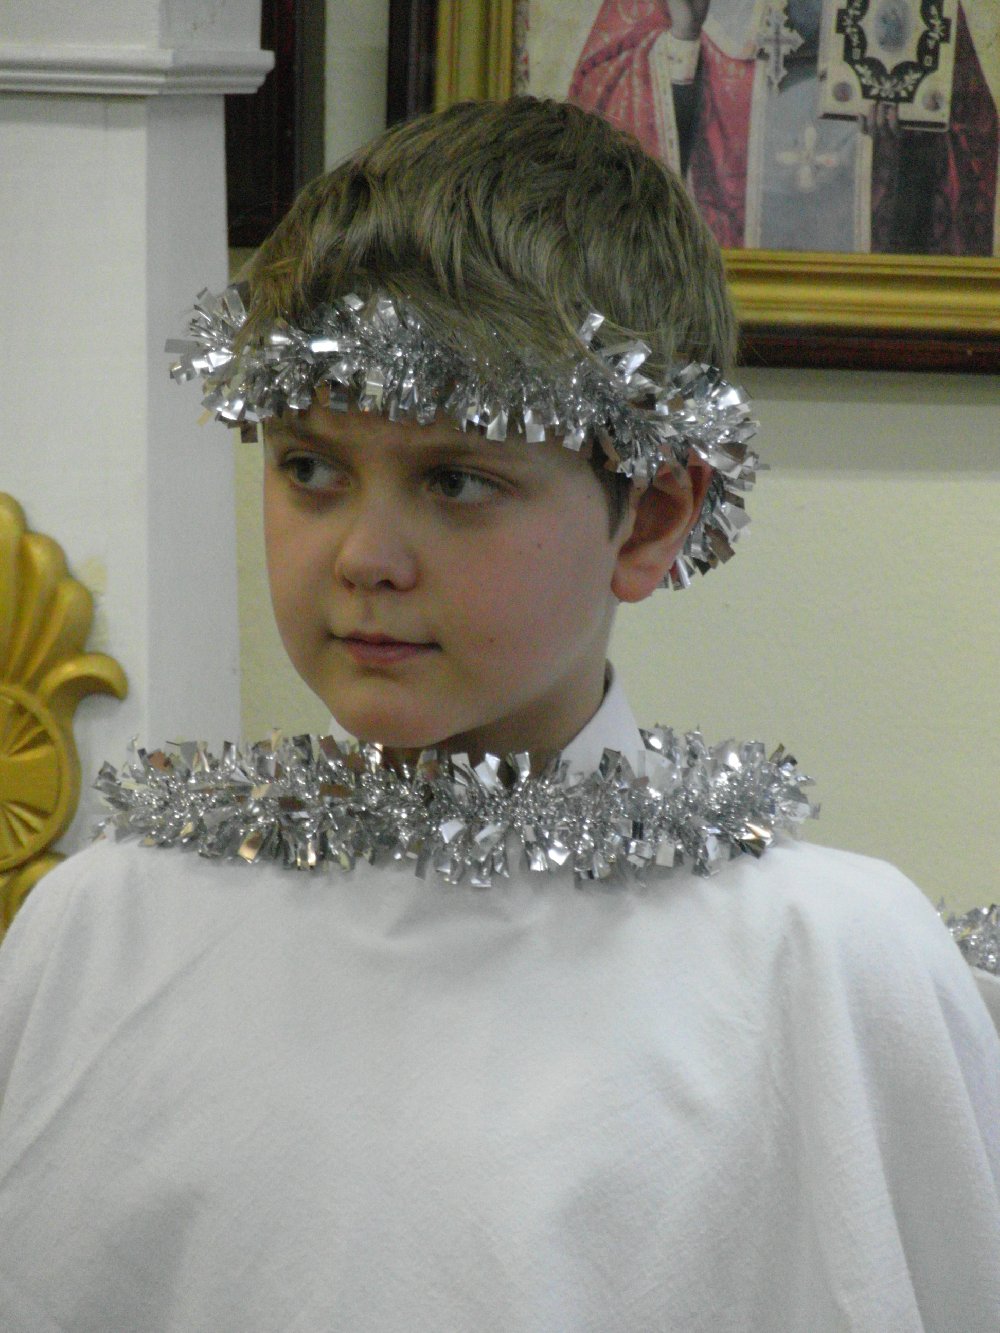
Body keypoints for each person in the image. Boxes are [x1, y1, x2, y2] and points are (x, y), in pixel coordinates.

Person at [0, 97, 998, 1331]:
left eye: (457, 481)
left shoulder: (824, 962)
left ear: (650, 518)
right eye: (309, 467)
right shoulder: (108, 930)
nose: (363, 557)